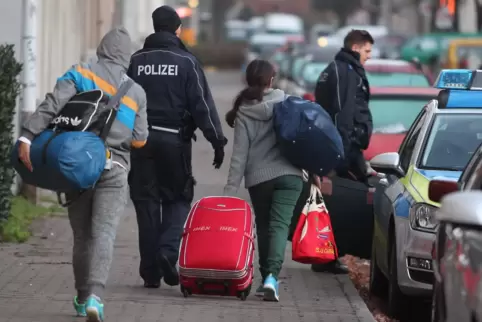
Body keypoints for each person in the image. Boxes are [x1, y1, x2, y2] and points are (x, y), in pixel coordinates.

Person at [17, 27, 148, 322]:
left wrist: (27, 136)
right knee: (104, 233)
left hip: (76, 166)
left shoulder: (79, 72)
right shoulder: (136, 92)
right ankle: (95, 298)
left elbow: (52, 104)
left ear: (101, 49)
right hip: (114, 168)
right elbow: (140, 140)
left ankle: (80, 296)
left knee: (82, 236)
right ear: (127, 56)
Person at [127, 5, 227, 289]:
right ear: (176, 29)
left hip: (140, 141)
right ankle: (168, 252)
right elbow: (202, 104)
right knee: (178, 198)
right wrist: (217, 141)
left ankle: (150, 272)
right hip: (174, 141)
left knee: (146, 203)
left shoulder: (136, 60)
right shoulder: (186, 61)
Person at [223, 59, 303, 302]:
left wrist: (229, 191)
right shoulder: (286, 101)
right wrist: (315, 172)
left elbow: (240, 154)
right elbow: (303, 140)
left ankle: (265, 276)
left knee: (265, 226)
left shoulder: (244, 110)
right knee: (280, 226)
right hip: (290, 175)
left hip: (259, 178)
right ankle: (272, 278)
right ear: (271, 79)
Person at [309, 29, 374, 274]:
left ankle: (329, 255)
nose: (369, 56)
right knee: (345, 204)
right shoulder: (345, 72)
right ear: (356, 48)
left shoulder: (338, 70)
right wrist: (343, 154)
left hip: (341, 148)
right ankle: (326, 257)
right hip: (343, 151)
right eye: (367, 51)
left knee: (337, 204)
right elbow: (342, 114)